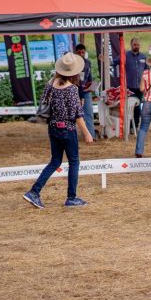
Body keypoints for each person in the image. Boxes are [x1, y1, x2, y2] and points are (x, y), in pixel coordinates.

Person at [23, 53, 94, 209]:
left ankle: (34, 192)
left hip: (53, 128)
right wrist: (87, 133)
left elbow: (44, 103)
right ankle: (71, 197)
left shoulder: (51, 84)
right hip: (67, 129)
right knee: (74, 162)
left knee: (55, 161)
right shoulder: (72, 89)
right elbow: (78, 115)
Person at [114, 37, 147, 125]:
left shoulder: (143, 56)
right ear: (131, 45)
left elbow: (147, 71)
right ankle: (129, 125)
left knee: (137, 106)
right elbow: (114, 62)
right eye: (134, 45)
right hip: (129, 87)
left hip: (140, 87)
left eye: (138, 45)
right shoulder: (125, 55)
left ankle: (136, 124)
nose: (136, 46)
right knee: (129, 107)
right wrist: (104, 59)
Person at [74, 44, 96, 139]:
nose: (81, 54)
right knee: (74, 114)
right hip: (74, 91)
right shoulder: (73, 63)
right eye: (79, 52)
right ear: (76, 53)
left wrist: (91, 85)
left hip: (86, 91)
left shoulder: (88, 62)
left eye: (83, 52)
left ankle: (91, 135)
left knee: (89, 113)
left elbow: (89, 75)